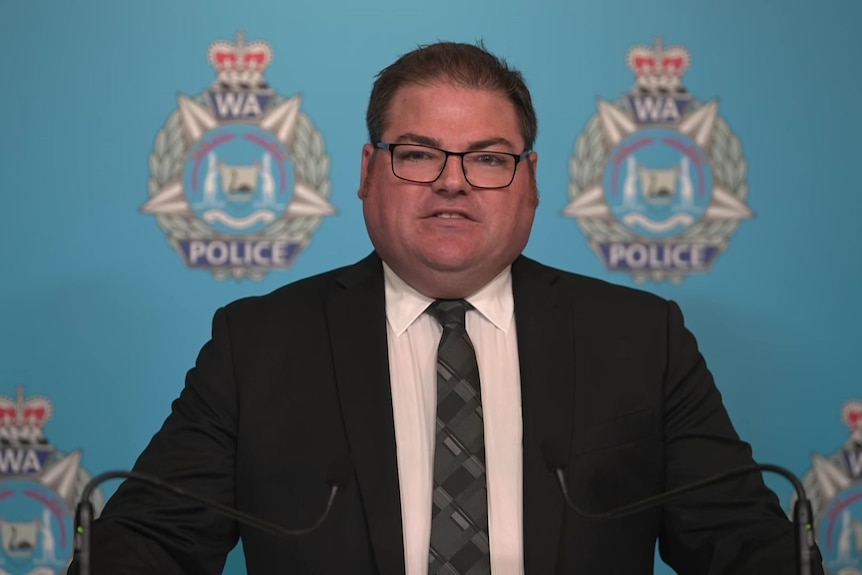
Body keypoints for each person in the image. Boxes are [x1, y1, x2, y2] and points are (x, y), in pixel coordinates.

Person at [70, 41, 823, 574]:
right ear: (368, 172)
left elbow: (742, 543)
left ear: (530, 182)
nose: (453, 182)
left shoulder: (638, 339)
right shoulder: (260, 345)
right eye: (419, 154)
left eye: (489, 158)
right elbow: (149, 543)